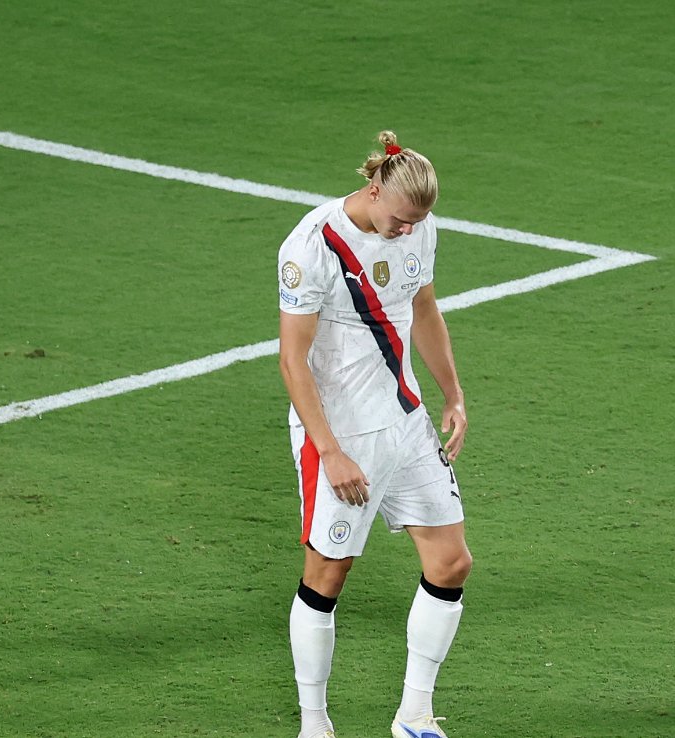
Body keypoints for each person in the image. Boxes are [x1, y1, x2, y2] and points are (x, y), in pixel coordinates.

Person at [277, 131, 470, 738]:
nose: (407, 231)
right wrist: (329, 451)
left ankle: (414, 715)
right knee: (327, 576)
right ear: (374, 187)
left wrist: (453, 392)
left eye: (417, 223)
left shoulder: (418, 227)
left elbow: (425, 309)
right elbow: (292, 358)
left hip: (406, 421)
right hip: (341, 434)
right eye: (399, 220)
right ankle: (315, 724)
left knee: (451, 562)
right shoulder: (314, 244)